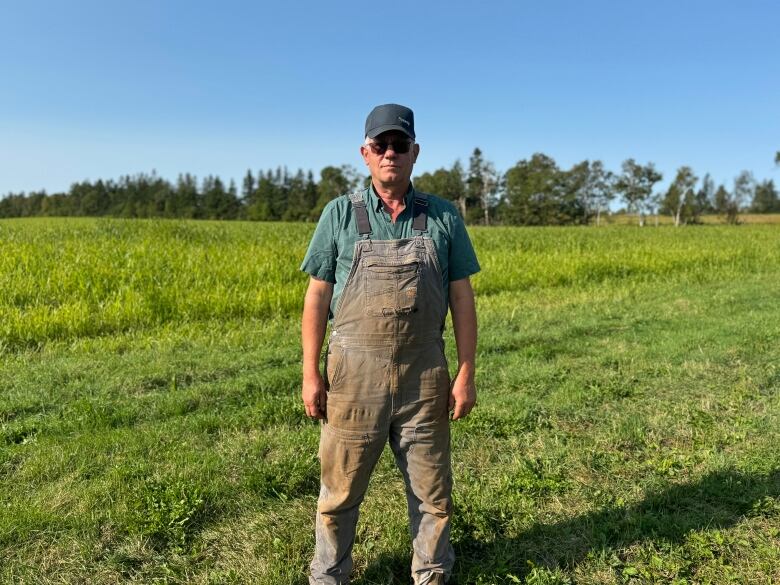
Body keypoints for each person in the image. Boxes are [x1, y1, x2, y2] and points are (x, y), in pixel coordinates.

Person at [300, 103, 480, 585]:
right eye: (381, 145)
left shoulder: (442, 218)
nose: (390, 154)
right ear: (365, 153)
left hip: (425, 376)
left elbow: (462, 297)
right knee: (339, 492)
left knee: (432, 494)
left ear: (415, 152)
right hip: (353, 379)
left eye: (400, 145)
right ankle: (329, 575)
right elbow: (318, 296)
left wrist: (465, 372)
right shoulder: (339, 215)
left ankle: (432, 574)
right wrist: (311, 373)